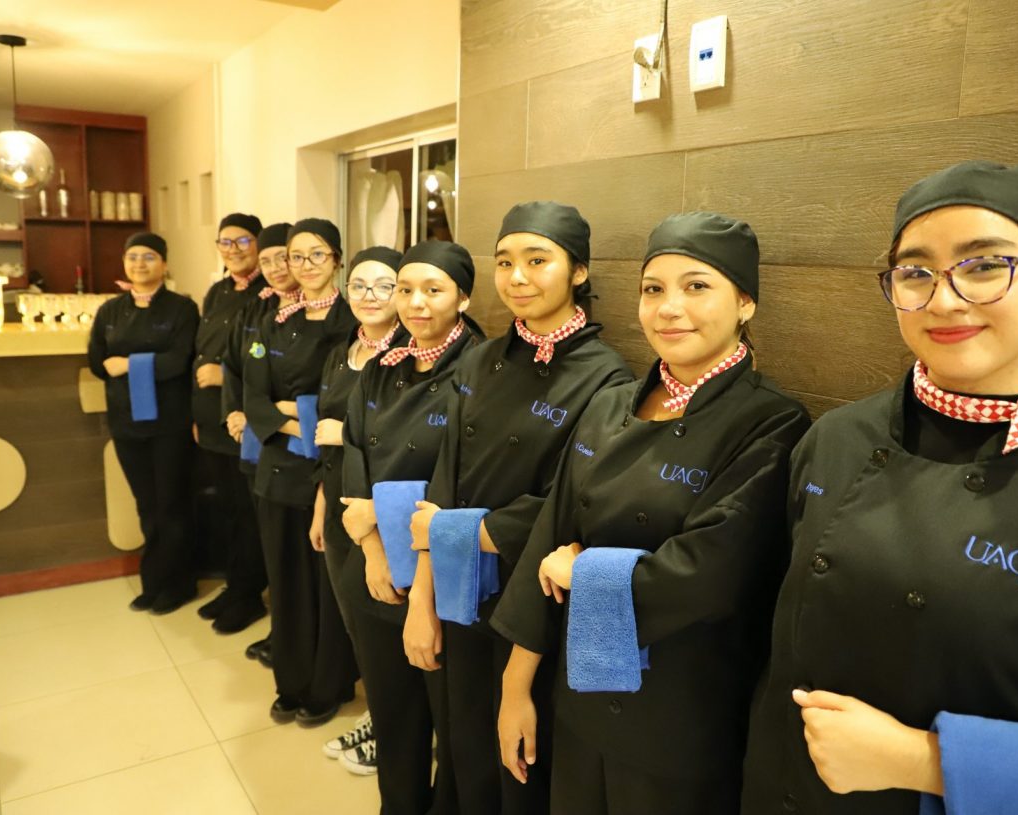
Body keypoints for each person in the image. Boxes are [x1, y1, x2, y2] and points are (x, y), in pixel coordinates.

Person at [741, 160, 1018, 815]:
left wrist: (918, 759)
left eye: (985, 266)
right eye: (916, 272)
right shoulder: (835, 437)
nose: (944, 300)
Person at [492, 212, 810, 814]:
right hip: (578, 692)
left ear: (745, 302)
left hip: (679, 717)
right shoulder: (609, 404)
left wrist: (582, 571)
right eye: (653, 289)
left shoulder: (772, 421)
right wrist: (516, 684)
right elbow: (550, 534)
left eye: (697, 286)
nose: (669, 308)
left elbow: (709, 574)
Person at [409, 202, 634, 814]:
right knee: (464, 750)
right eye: (505, 262)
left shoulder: (607, 378)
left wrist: (456, 531)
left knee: (520, 772)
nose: (517, 277)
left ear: (578, 271)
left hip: (533, 597)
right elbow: (444, 479)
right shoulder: (480, 358)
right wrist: (423, 597)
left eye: (537, 261)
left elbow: (570, 506)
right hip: (459, 589)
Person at [337, 241, 483, 805]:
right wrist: (372, 546)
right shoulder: (383, 365)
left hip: (438, 574)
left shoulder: (480, 370)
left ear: (463, 298)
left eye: (433, 290)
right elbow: (355, 451)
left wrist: (382, 512)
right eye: (406, 289)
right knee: (393, 718)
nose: (416, 302)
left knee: (453, 729)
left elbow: (466, 481)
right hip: (374, 568)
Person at [243, 218, 358, 725]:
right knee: (286, 582)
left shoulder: (353, 319)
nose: (305, 265)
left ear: (336, 259)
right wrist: (297, 418)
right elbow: (254, 396)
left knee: (327, 587)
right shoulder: (274, 319)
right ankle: (290, 682)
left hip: (328, 471)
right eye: (296, 256)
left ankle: (328, 685)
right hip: (277, 471)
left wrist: (295, 411)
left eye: (317, 254)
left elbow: (345, 403)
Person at [308, 245, 406, 772]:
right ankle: (379, 713)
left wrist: (345, 433)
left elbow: (408, 437)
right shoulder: (343, 348)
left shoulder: (410, 353)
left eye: (384, 285)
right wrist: (320, 503)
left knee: (386, 622)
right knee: (356, 621)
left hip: (382, 510)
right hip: (338, 504)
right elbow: (324, 441)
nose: (370, 295)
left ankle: (398, 730)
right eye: (360, 285)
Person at [87, 232, 200, 613]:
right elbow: (97, 361)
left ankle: (179, 584)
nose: (139, 263)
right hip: (125, 423)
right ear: (124, 263)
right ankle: (154, 582)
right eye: (132, 256)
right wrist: (128, 366)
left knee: (172, 506)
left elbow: (178, 361)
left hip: (170, 424)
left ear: (164, 264)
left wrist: (128, 365)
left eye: (149, 256)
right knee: (146, 506)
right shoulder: (110, 311)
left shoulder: (182, 309)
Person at [222, 222, 296, 665]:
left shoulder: (314, 313)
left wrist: (262, 412)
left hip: (291, 443)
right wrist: (234, 411)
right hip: (253, 439)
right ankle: (279, 629)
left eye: (281, 258)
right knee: (265, 538)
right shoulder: (255, 308)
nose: (275, 268)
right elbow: (232, 365)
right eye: (266, 261)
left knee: (291, 552)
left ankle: (288, 636)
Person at [193, 212, 269, 633]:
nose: (233, 250)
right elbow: (200, 353)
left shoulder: (267, 292)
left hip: (242, 421)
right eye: (225, 242)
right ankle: (235, 584)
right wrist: (198, 417)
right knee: (224, 510)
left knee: (247, 514)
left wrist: (225, 375)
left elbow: (260, 358)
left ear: (257, 244)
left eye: (242, 241)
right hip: (211, 420)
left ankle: (248, 594)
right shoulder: (217, 291)